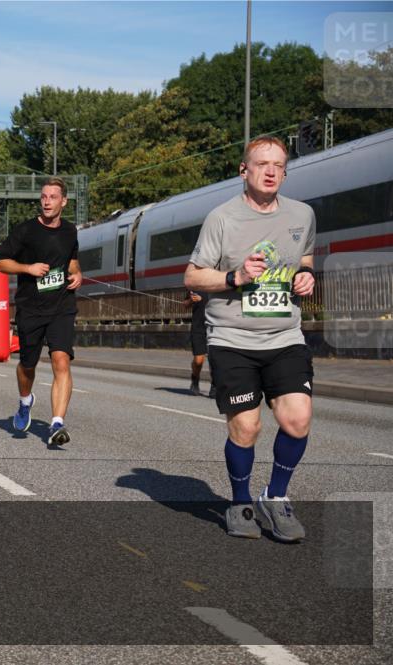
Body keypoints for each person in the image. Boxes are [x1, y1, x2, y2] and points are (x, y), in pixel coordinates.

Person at [184, 135, 316, 542]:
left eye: (279, 164)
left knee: (297, 420)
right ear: (245, 171)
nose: (271, 171)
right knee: (246, 427)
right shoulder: (221, 218)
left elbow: (305, 258)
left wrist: (306, 276)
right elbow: (192, 276)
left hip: (284, 336)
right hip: (232, 337)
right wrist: (234, 277)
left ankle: (274, 498)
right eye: (262, 164)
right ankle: (240, 502)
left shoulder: (303, 214)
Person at [0, 177, 82, 447]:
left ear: (63, 201)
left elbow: (73, 263)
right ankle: (25, 401)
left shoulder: (70, 231)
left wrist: (78, 275)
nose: (46, 201)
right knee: (27, 366)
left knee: (61, 361)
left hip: (61, 307)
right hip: (31, 308)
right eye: (43, 196)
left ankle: (57, 423)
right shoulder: (26, 231)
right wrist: (27, 268)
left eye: (53, 197)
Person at [184, 290, 214, 397]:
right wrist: (191, 300)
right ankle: (195, 379)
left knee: (214, 359)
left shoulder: (216, 285)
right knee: (198, 360)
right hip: (198, 327)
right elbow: (185, 304)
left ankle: (214, 385)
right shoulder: (194, 286)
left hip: (214, 327)